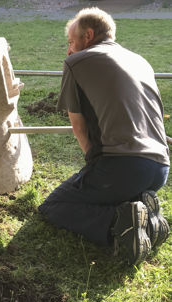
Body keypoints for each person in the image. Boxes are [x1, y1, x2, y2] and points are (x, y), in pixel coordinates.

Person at [38, 7, 170, 265]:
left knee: (53, 206)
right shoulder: (140, 60)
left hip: (122, 168)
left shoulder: (77, 62)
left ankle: (119, 226)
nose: (68, 49)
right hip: (160, 168)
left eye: (71, 42)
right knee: (117, 187)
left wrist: (93, 164)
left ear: (88, 35)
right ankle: (149, 218)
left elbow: (78, 125)